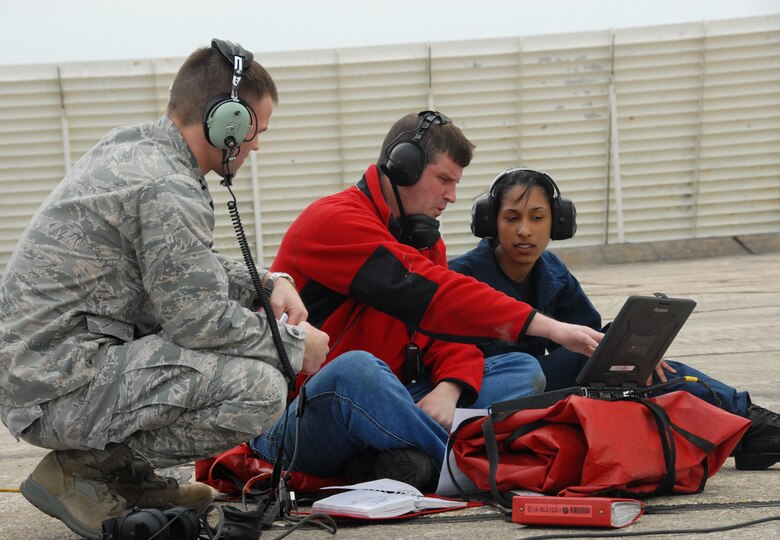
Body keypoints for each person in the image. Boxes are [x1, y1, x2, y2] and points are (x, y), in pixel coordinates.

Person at [0, 39, 329, 539]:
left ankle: (122, 477)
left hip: (47, 373)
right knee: (261, 387)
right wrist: (297, 346)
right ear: (227, 124)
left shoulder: (139, 152)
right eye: (256, 130)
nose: (257, 145)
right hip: (57, 387)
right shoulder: (167, 185)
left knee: (240, 359)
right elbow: (198, 319)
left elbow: (180, 271)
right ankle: (84, 472)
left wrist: (268, 281)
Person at [248, 111, 604, 491]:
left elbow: (449, 330)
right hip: (297, 421)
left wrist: (450, 388)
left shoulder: (422, 237)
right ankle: (467, 471)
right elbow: (437, 295)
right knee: (356, 371)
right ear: (402, 167)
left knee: (520, 369)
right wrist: (548, 326)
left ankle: (391, 460)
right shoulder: (332, 222)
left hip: (394, 400)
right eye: (444, 180)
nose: (451, 196)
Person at [449, 166, 780, 471]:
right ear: (492, 223)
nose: (524, 230)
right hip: (494, 393)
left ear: (557, 223)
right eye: (512, 218)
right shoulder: (462, 276)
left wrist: (631, 354)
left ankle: (745, 424)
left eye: (537, 218)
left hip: (542, 391)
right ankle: (747, 424)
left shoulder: (552, 271)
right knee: (548, 365)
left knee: (636, 365)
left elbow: (591, 340)